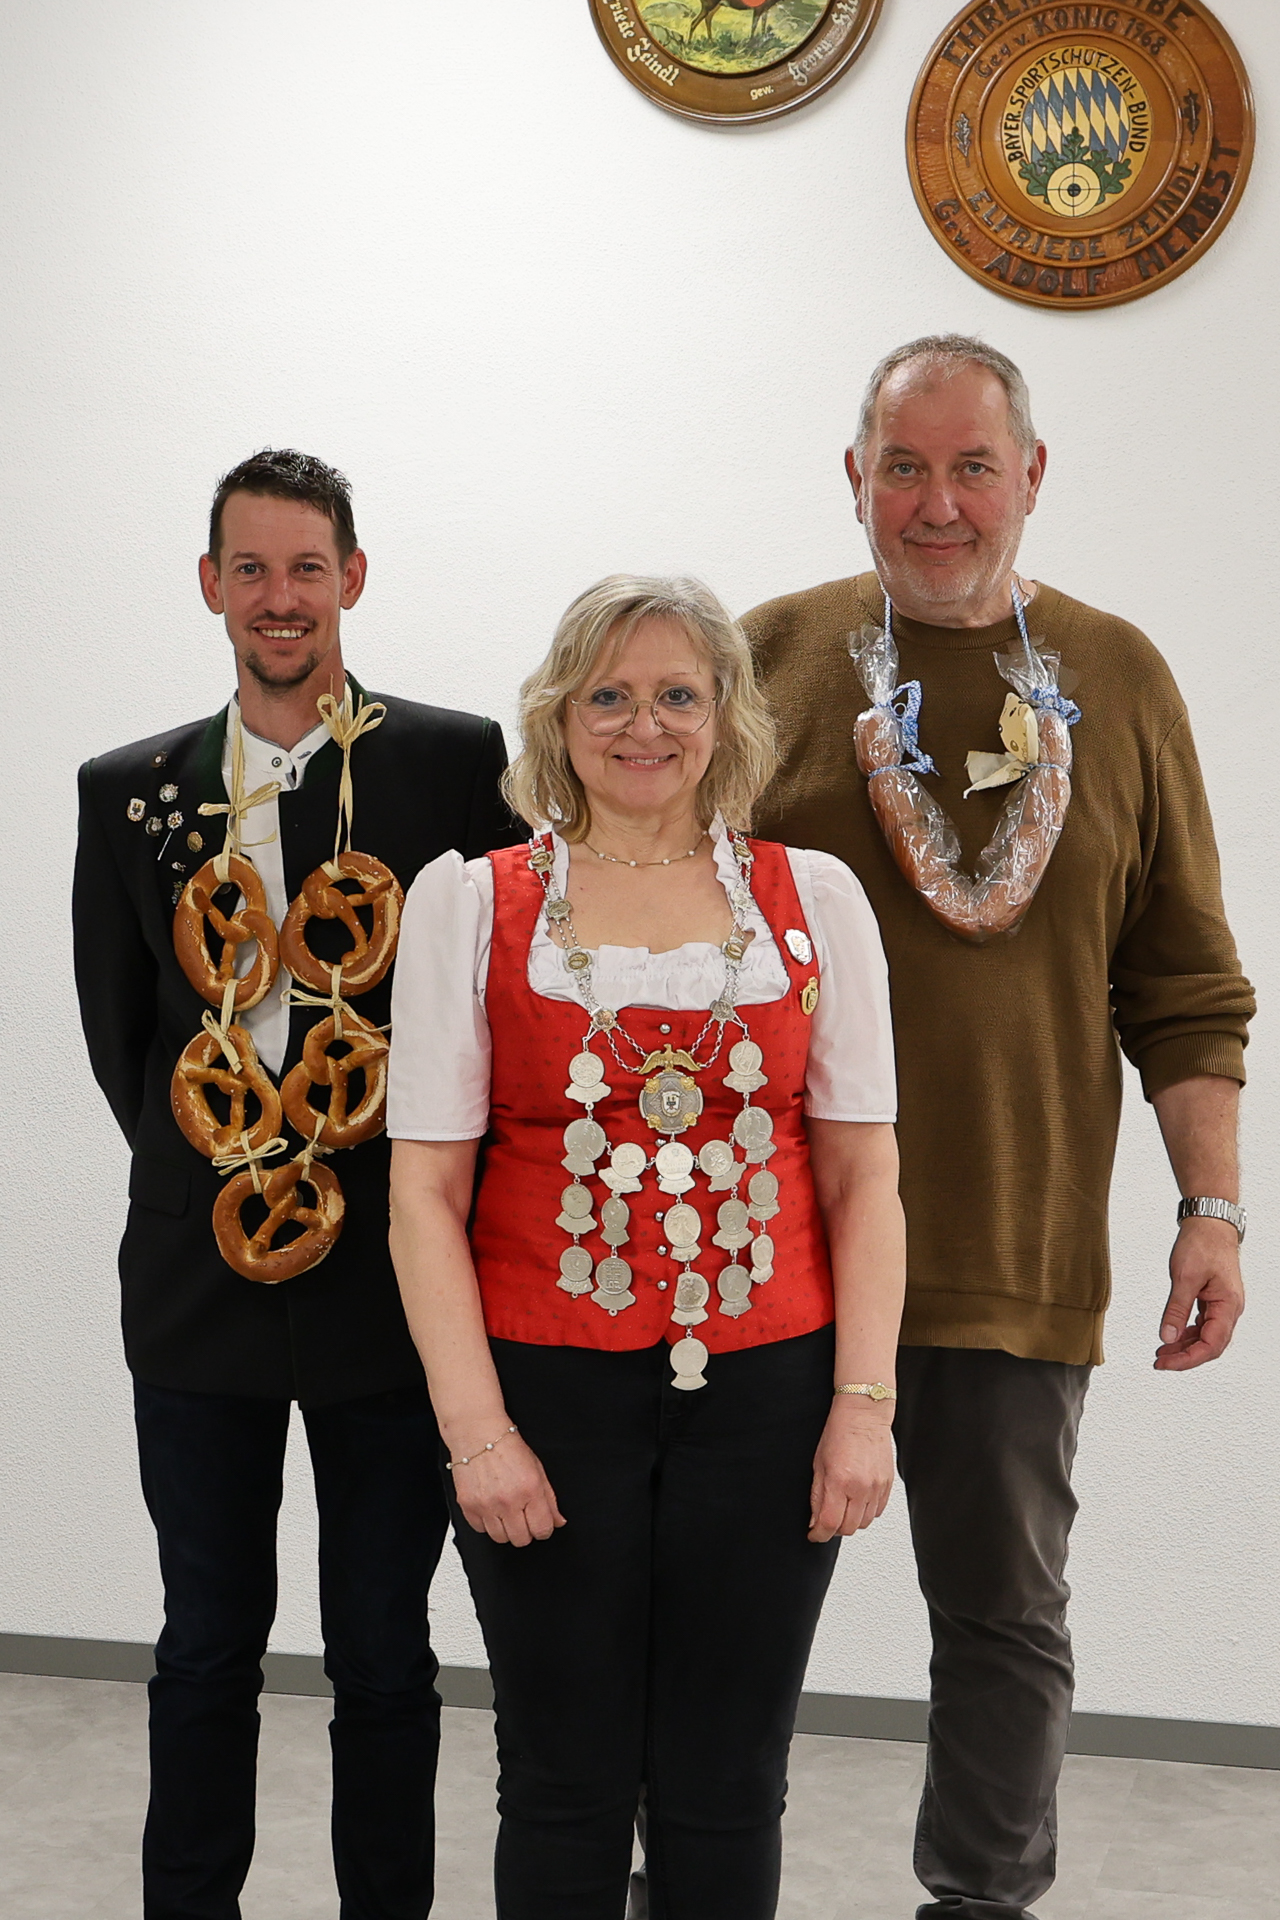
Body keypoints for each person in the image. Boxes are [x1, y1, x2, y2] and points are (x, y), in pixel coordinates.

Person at [741, 335, 1255, 1920]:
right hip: (771, 1253)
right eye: (905, 467)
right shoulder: (764, 658)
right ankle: (686, 1884)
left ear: (1033, 476)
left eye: (974, 466)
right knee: (720, 1620)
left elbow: (1183, 981)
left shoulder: (1121, 676)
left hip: (1012, 1246)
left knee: (1004, 1623)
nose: (940, 503)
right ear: (855, 478)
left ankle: (979, 1904)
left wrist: (1212, 1210)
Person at [386, 574, 906, 1920]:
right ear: (557, 717)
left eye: (679, 693)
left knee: (728, 1778)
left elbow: (864, 1176)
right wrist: (477, 1436)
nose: (644, 725)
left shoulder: (815, 899)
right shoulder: (472, 905)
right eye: (608, 694)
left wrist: (863, 1408)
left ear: (726, 714)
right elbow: (424, 1196)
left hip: (773, 1389)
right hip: (545, 1389)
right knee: (561, 1773)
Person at [72, 448, 519, 1919]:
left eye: (307, 569)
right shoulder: (129, 791)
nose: (281, 598)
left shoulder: (452, 766)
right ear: (210, 585)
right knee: (205, 1641)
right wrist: (242, 1159)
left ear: (353, 580)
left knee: (383, 1647)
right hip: (194, 1284)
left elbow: (496, 1004)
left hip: (392, 1284)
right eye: (251, 569)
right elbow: (126, 1042)